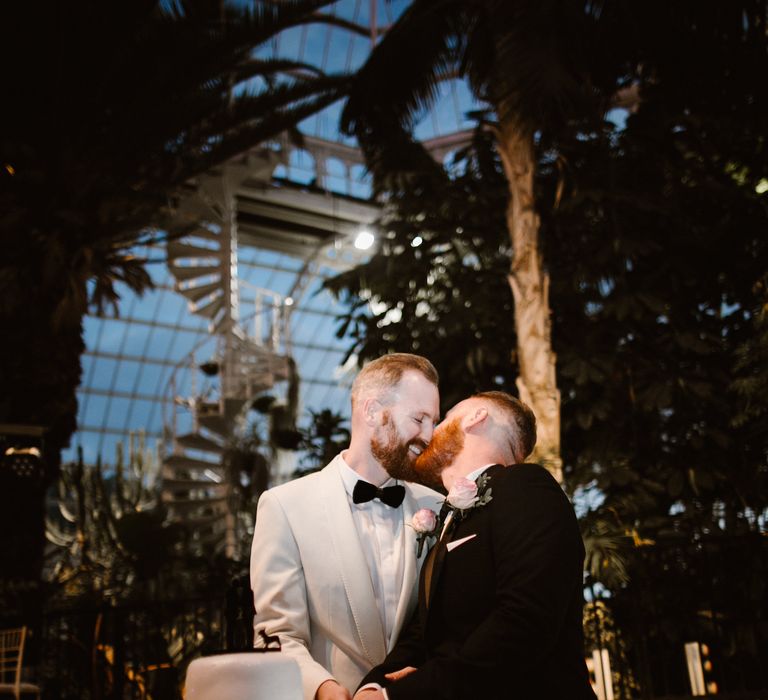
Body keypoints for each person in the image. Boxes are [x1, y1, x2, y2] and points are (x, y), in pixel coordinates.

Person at [354, 391, 597, 700]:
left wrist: (401, 696)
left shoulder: (525, 486)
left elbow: (524, 622)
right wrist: (375, 686)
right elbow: (424, 634)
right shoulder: (449, 521)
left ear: (475, 417)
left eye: (442, 420)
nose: (430, 432)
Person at [250, 353, 443, 700]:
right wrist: (322, 688)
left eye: (434, 421)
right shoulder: (285, 507)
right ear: (371, 412)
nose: (429, 436)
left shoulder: (438, 507)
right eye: (419, 418)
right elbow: (277, 635)